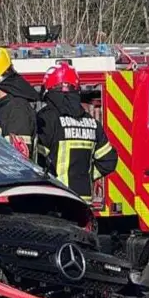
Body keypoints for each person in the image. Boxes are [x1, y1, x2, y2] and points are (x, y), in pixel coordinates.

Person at [35, 62, 117, 197]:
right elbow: (108, 160)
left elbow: (36, 160)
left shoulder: (46, 119)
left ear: (47, 90)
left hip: (56, 199)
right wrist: (87, 176)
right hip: (83, 199)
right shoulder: (92, 122)